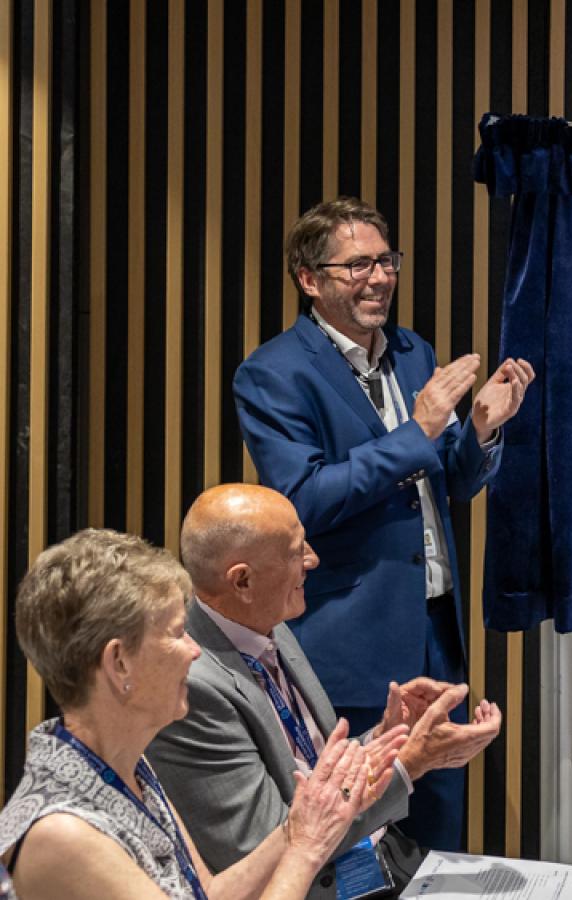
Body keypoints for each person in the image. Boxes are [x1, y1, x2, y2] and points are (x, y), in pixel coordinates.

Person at [233, 196, 535, 851]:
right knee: (357, 835)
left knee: (437, 830)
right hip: (348, 640)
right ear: (308, 279)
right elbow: (303, 498)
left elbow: (449, 479)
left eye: (387, 262)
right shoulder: (274, 373)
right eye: (358, 266)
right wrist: (420, 427)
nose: (379, 278)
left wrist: (481, 428)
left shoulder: (412, 351)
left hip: (434, 625)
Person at [0, 528, 405, 900]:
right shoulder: (62, 834)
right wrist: (307, 846)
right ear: (118, 663)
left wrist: (301, 822)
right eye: (177, 634)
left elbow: (209, 892)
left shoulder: (127, 763)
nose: (195, 651)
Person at [147, 484, 503, 900]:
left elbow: (316, 767)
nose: (313, 560)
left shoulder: (271, 621)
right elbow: (272, 842)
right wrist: (407, 763)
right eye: (297, 551)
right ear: (242, 580)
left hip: (379, 860)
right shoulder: (191, 684)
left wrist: (388, 737)